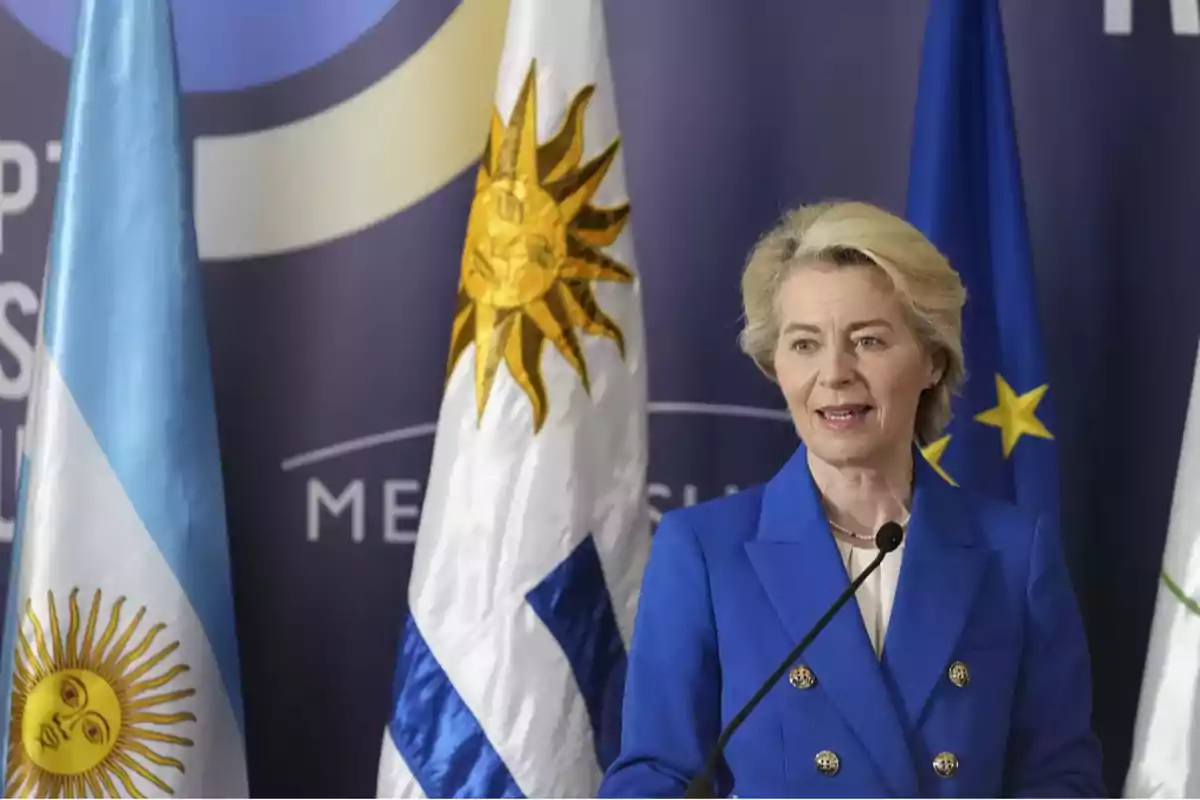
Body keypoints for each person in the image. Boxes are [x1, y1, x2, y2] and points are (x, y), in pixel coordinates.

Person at [598, 201, 1104, 797]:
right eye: (805, 344)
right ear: (776, 365)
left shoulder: (1016, 554)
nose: (835, 373)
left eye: (868, 341)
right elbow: (654, 776)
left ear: (932, 360)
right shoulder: (704, 553)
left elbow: (1060, 780)